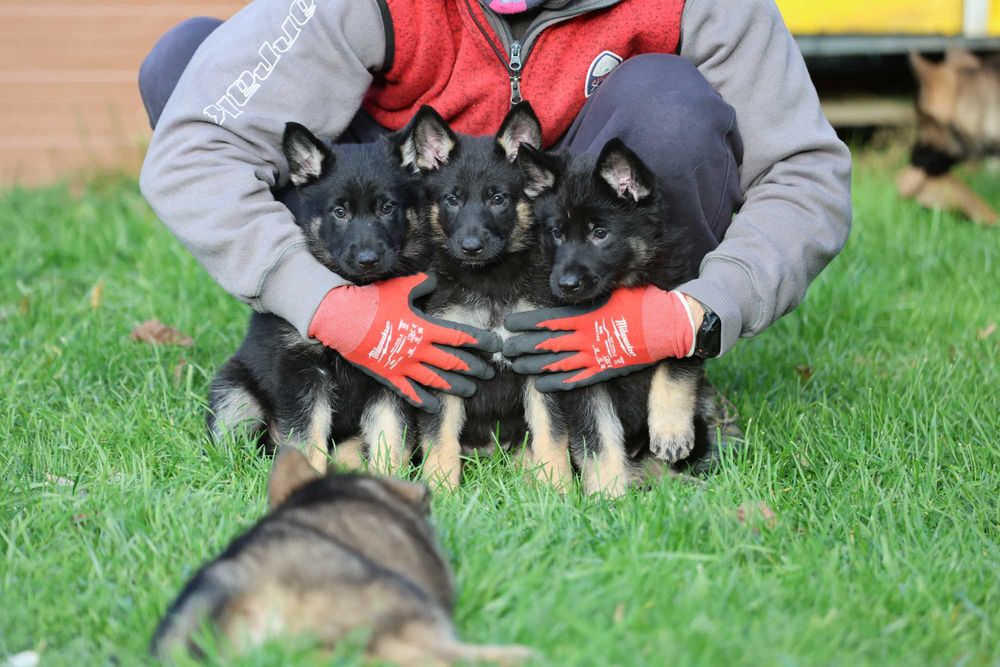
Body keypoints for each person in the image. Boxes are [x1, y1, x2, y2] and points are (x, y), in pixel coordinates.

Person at [138, 0, 851, 429]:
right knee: (187, 64)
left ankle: (647, 377)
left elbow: (805, 173)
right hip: (409, 223)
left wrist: (700, 311)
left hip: (572, 230)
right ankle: (337, 367)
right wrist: (323, 303)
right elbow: (194, 150)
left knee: (673, 109)